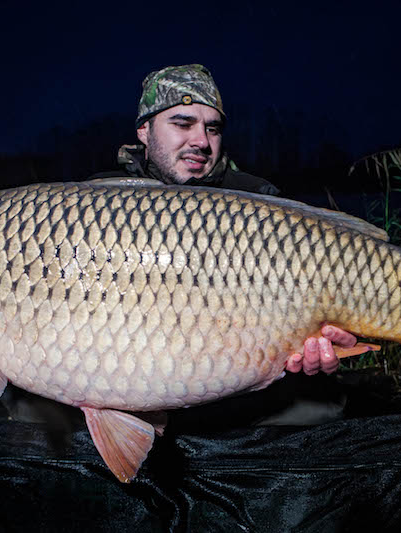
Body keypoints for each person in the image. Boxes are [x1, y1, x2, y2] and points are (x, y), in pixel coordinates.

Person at [90, 64, 360, 377]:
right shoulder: (99, 201)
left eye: (213, 129)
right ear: (144, 131)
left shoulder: (256, 198)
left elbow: (336, 286)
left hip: (243, 388)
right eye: (183, 124)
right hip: (129, 375)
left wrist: (336, 334)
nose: (202, 141)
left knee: (314, 407)